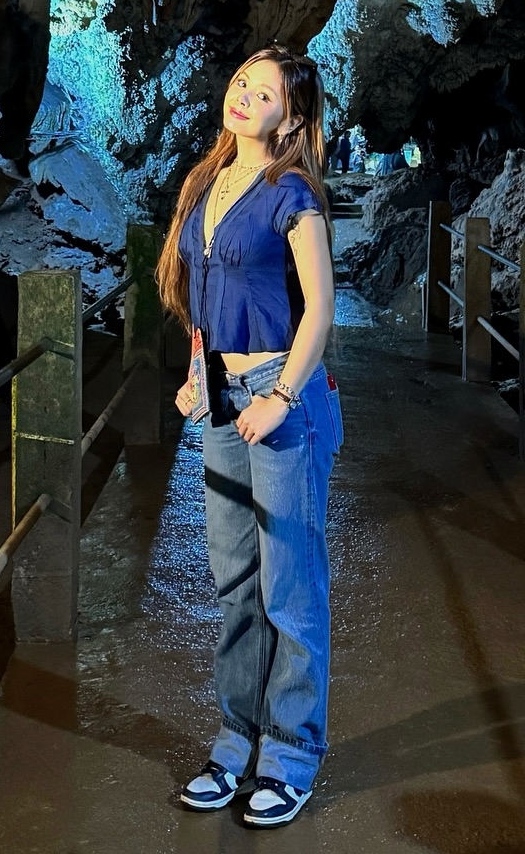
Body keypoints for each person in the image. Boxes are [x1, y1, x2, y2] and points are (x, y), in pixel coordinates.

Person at [157, 45, 341, 828]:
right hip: (225, 397)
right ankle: (237, 740)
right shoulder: (207, 182)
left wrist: (282, 396)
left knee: (288, 587)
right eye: (242, 82)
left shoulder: (290, 193)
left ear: (291, 122)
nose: (243, 97)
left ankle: (291, 755)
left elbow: (321, 309)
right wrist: (197, 373)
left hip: (281, 401)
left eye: (264, 94)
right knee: (235, 580)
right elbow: (206, 294)